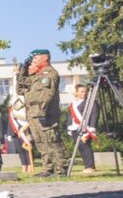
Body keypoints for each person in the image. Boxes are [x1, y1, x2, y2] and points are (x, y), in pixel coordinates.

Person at [17, 49, 65, 177]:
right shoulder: (35, 76)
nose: (33, 61)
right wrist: (23, 70)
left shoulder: (49, 73)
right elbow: (20, 89)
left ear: (45, 58)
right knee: (41, 143)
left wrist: (42, 111)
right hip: (33, 114)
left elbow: (47, 95)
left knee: (52, 141)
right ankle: (47, 169)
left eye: (35, 58)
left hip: (45, 114)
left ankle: (60, 169)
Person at [68, 84, 98, 174]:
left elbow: (94, 114)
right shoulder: (73, 104)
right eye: (81, 91)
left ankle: (90, 166)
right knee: (80, 147)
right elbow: (69, 116)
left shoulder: (91, 102)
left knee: (85, 146)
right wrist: (69, 127)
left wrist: (92, 127)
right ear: (76, 92)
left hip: (86, 128)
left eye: (85, 91)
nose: (84, 93)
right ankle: (86, 165)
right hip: (74, 128)